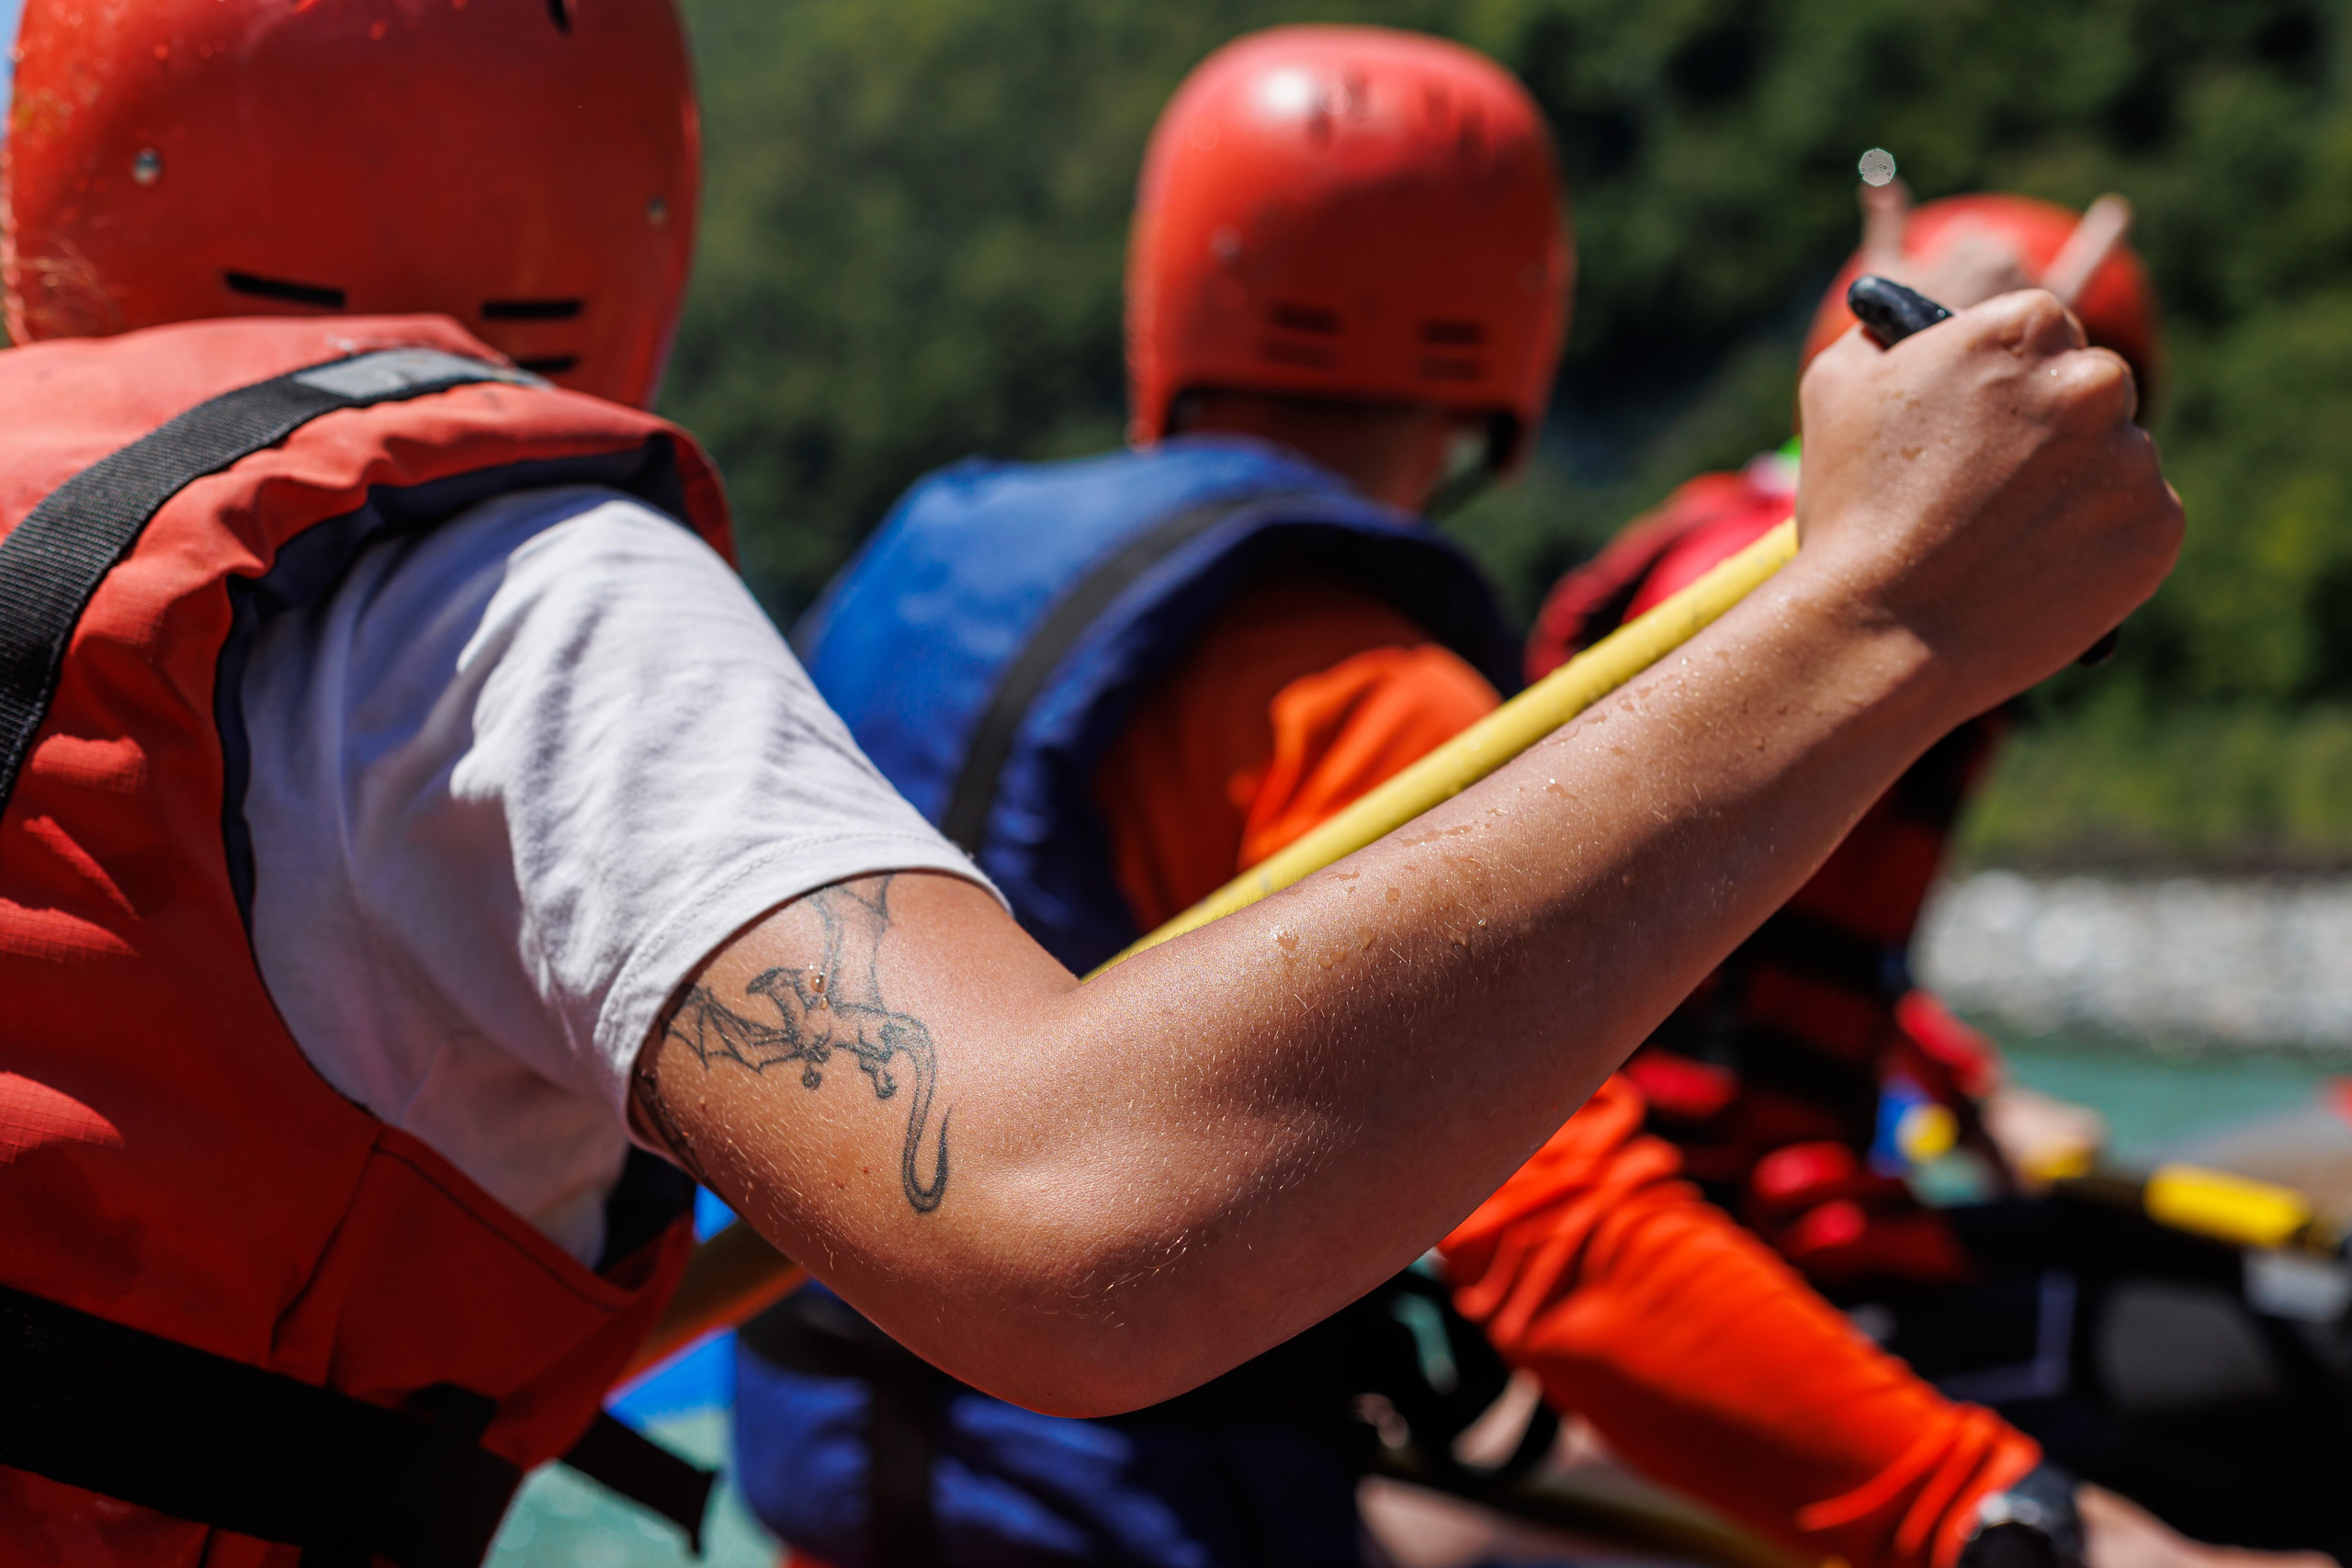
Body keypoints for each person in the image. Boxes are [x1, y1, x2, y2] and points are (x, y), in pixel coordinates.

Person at [0, 4, 2182, 1563]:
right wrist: (1882, 615)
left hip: (837, 1477)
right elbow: (1067, 1228)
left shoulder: (96, 560)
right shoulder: (518, 596)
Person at [744, 32, 2277, 1568]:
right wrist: (2009, 1519)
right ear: (1520, 329)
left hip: (836, 1497)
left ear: (1171, 290)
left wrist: (1966, 1085)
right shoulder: (1360, 693)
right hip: (1127, 1522)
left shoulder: (917, 568)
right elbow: (1563, 1238)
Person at [1529, 186, 2352, 1559]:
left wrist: (1967, 1085)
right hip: (1753, 1271)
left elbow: (1750, 924)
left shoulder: (1776, 556)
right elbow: (1635, 896)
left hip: (1775, 1230)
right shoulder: (1822, 591)